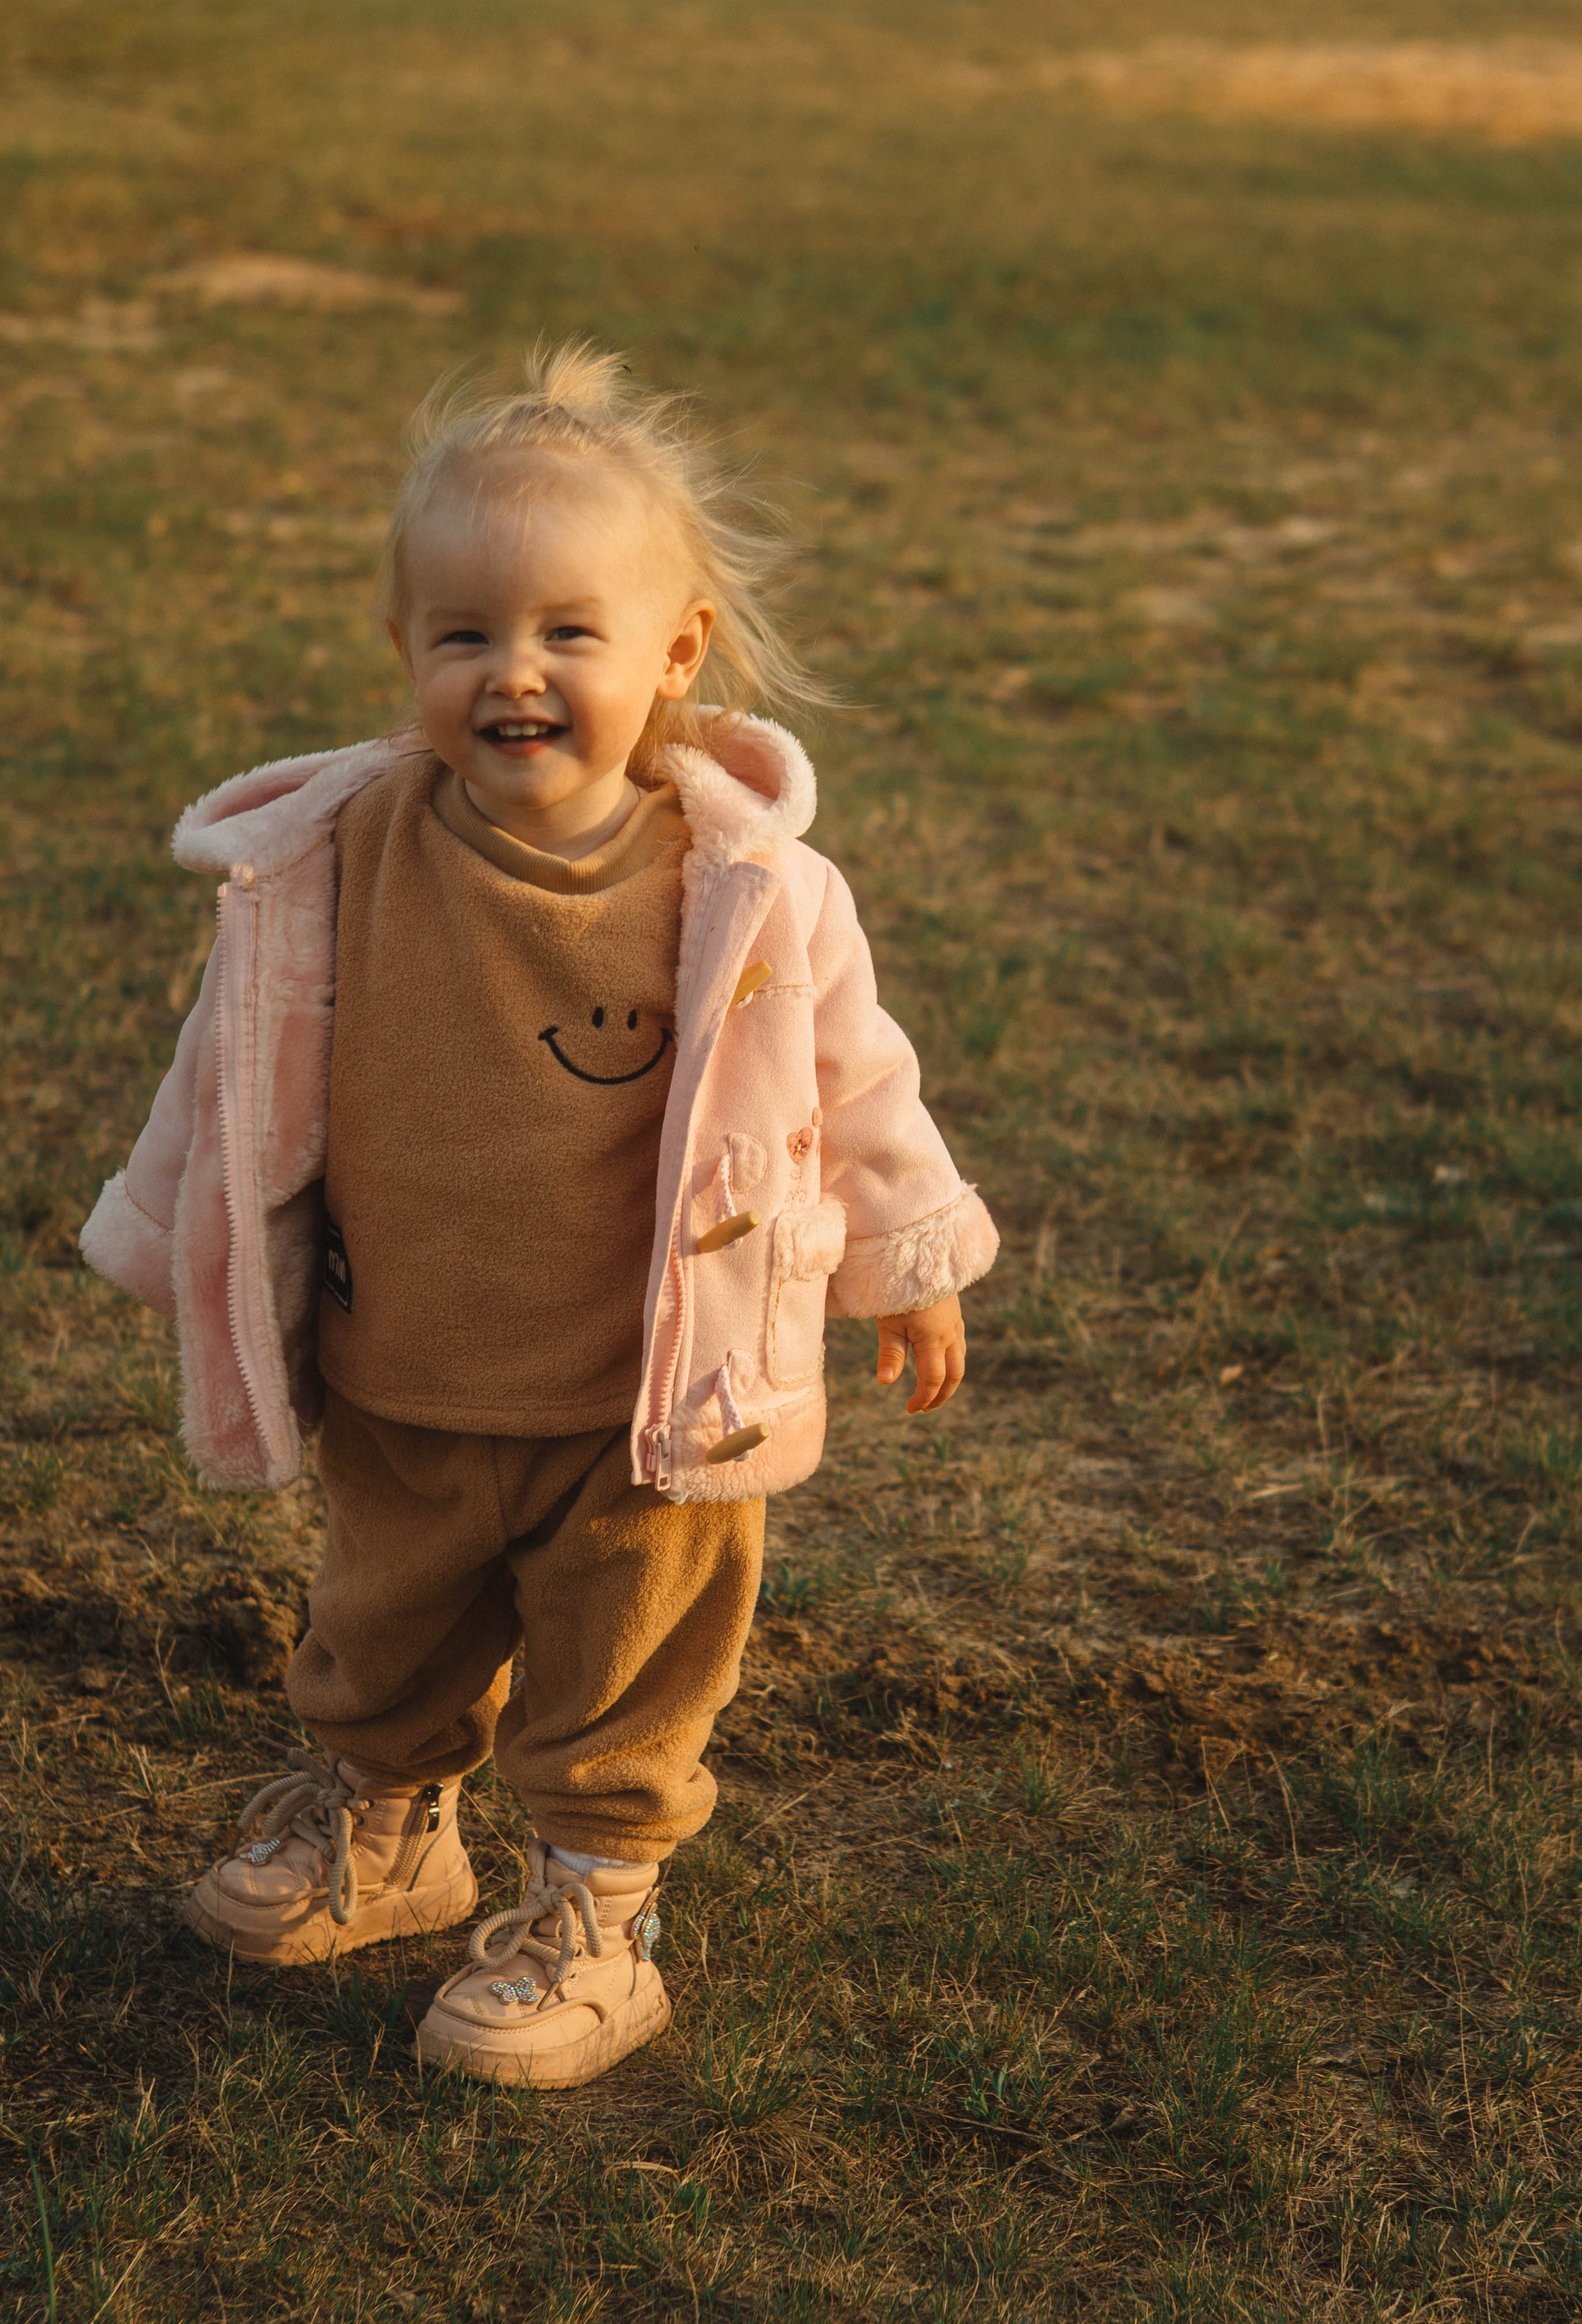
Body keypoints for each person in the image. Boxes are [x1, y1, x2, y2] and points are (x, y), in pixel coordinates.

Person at [80, 342, 999, 2089]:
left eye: (569, 634)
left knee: (626, 1665)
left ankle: (596, 1907)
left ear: (672, 656)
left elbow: (857, 1078)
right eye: (466, 636)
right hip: (405, 1358)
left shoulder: (746, 887)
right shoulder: (337, 858)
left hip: (647, 1404)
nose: (516, 676)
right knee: (382, 1620)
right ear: (408, 653)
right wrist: (169, 1234)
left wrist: (907, 1257)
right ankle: (386, 1829)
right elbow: (232, 1069)